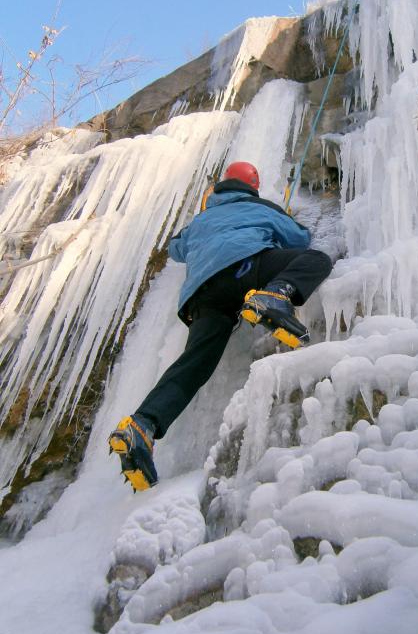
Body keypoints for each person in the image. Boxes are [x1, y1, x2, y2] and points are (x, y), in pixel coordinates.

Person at [108, 161, 333, 491]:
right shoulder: (260, 206)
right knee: (317, 260)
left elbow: (176, 248)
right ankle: (274, 297)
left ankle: (142, 425)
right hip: (246, 267)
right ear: (252, 187)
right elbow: (299, 238)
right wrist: (280, 217)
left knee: (193, 367)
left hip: (202, 297)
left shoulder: (200, 220)